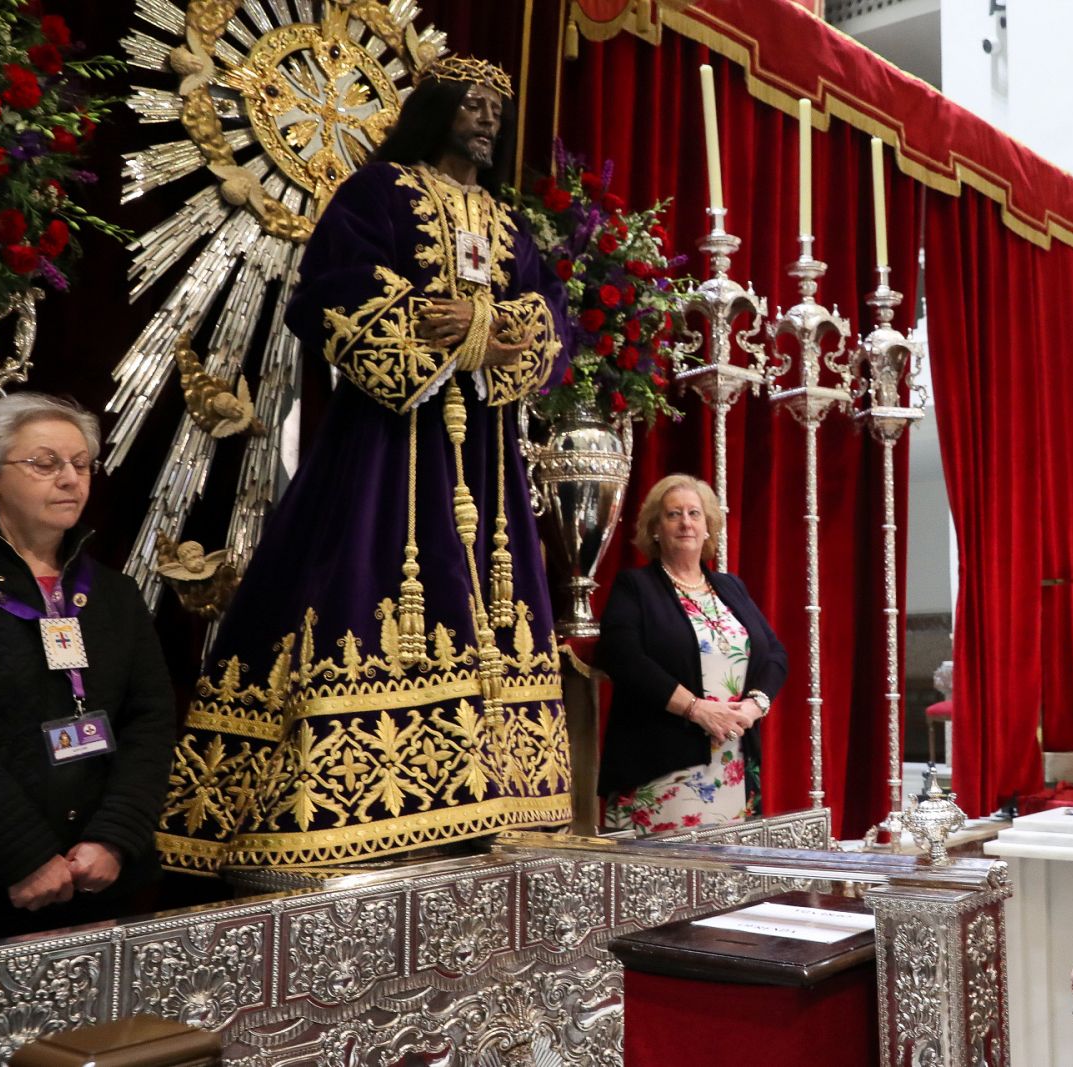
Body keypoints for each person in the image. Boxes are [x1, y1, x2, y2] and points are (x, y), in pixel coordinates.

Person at [156, 56, 573, 876]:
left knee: (494, 599)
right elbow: (326, 293)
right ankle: (333, 805)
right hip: (390, 443)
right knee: (354, 577)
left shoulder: (505, 219)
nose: (487, 119)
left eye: (497, 107)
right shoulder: (378, 192)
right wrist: (431, 326)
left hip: (484, 458)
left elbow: (548, 316)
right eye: (472, 105)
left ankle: (490, 790)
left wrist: (491, 327)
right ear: (436, 109)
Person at [0, 393, 175, 941]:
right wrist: (24, 856)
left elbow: (150, 723)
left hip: (103, 881)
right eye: (44, 463)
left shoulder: (114, 594)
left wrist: (113, 838)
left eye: (81, 464)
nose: (70, 479)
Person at [596, 475, 787, 832]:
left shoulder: (731, 587)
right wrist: (696, 709)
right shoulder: (635, 587)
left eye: (694, 513)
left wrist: (753, 706)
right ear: (655, 529)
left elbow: (775, 653)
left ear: (708, 526)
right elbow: (622, 657)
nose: (686, 522)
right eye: (673, 514)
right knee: (664, 880)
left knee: (726, 877)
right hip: (661, 766)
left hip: (733, 763)